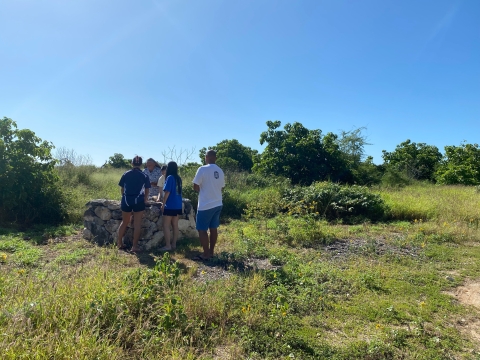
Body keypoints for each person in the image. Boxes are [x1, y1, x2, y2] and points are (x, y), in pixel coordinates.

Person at [192, 149, 225, 260]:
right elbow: (221, 187)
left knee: (202, 230)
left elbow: (195, 187)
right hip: (218, 203)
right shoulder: (220, 171)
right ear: (215, 158)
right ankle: (211, 252)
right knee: (213, 228)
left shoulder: (202, 169)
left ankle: (205, 254)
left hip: (205, 204)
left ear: (206, 157)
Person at [117, 156, 151, 253]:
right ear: (140, 164)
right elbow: (147, 190)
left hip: (126, 200)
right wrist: (145, 200)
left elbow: (122, 188)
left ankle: (119, 243)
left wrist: (124, 197)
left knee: (124, 222)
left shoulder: (126, 174)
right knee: (137, 224)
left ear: (132, 163)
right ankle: (134, 246)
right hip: (138, 201)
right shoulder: (144, 175)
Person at [160, 161, 183, 251]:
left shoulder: (169, 177)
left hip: (170, 205)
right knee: (175, 225)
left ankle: (167, 245)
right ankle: (174, 244)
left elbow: (167, 192)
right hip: (178, 204)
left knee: (166, 225)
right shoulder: (178, 178)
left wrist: (163, 203)